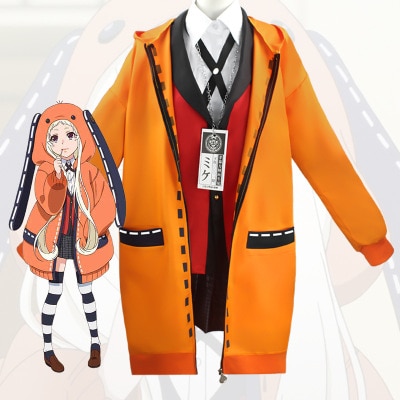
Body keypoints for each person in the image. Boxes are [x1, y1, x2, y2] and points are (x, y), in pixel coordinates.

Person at [90, 0, 394, 377]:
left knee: (253, 374)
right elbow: (93, 150)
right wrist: (54, 222)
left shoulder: (277, 51)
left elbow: (321, 151)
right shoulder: (147, 52)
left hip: (251, 256)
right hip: (167, 257)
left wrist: (369, 235)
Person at [10, 102, 124, 373]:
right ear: (45, 143)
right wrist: (58, 181)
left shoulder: (91, 172)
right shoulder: (45, 174)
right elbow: (48, 206)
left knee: (87, 292)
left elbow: (106, 205)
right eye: (55, 137)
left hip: (83, 239)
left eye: (70, 135)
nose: (63, 143)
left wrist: (94, 228)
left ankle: (95, 344)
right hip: (55, 240)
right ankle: (48, 348)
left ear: (81, 136)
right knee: (54, 291)